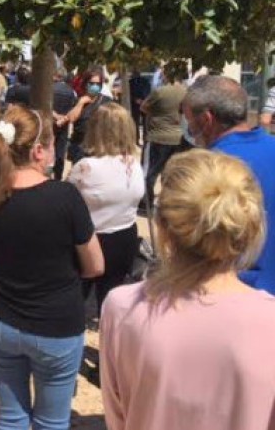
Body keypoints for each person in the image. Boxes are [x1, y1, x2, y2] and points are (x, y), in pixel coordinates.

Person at [100, 150, 275, 430]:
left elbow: (118, 416)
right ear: (250, 228)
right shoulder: (270, 321)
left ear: (164, 229)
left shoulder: (122, 307)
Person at [0, 106, 104, 430]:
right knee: (51, 422)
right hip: (55, 325)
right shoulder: (64, 197)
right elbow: (95, 265)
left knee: (11, 417)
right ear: (38, 150)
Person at [182, 75, 275, 294]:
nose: (187, 126)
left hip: (235, 297)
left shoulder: (205, 171)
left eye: (187, 118)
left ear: (206, 119)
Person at [68, 104, 144, 318]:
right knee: (110, 301)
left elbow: (66, 201)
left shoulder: (85, 167)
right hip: (124, 236)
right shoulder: (134, 164)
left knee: (76, 297)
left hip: (88, 240)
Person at [140, 61, 187, 209]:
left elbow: (144, 107)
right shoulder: (186, 92)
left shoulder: (160, 92)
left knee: (149, 173)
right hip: (178, 138)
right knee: (170, 173)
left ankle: (146, 204)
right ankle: (168, 203)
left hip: (157, 137)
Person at [65, 66, 113, 165]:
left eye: (98, 84)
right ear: (85, 83)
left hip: (99, 147)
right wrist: (81, 103)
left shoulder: (106, 101)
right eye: (91, 83)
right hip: (79, 148)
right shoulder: (78, 100)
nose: (95, 86)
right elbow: (71, 119)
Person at [51, 67, 77, 180]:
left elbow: (46, 106)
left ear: (56, 76)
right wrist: (64, 118)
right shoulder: (71, 91)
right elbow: (73, 109)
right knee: (60, 151)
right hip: (64, 125)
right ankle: (58, 176)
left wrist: (55, 116)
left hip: (51, 123)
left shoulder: (50, 89)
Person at [129, 70, 151, 144]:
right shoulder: (130, 82)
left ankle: (145, 139)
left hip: (144, 103)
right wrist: (135, 99)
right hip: (134, 105)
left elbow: (148, 91)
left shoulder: (145, 81)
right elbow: (129, 93)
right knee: (135, 122)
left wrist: (144, 100)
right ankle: (136, 139)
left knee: (145, 123)